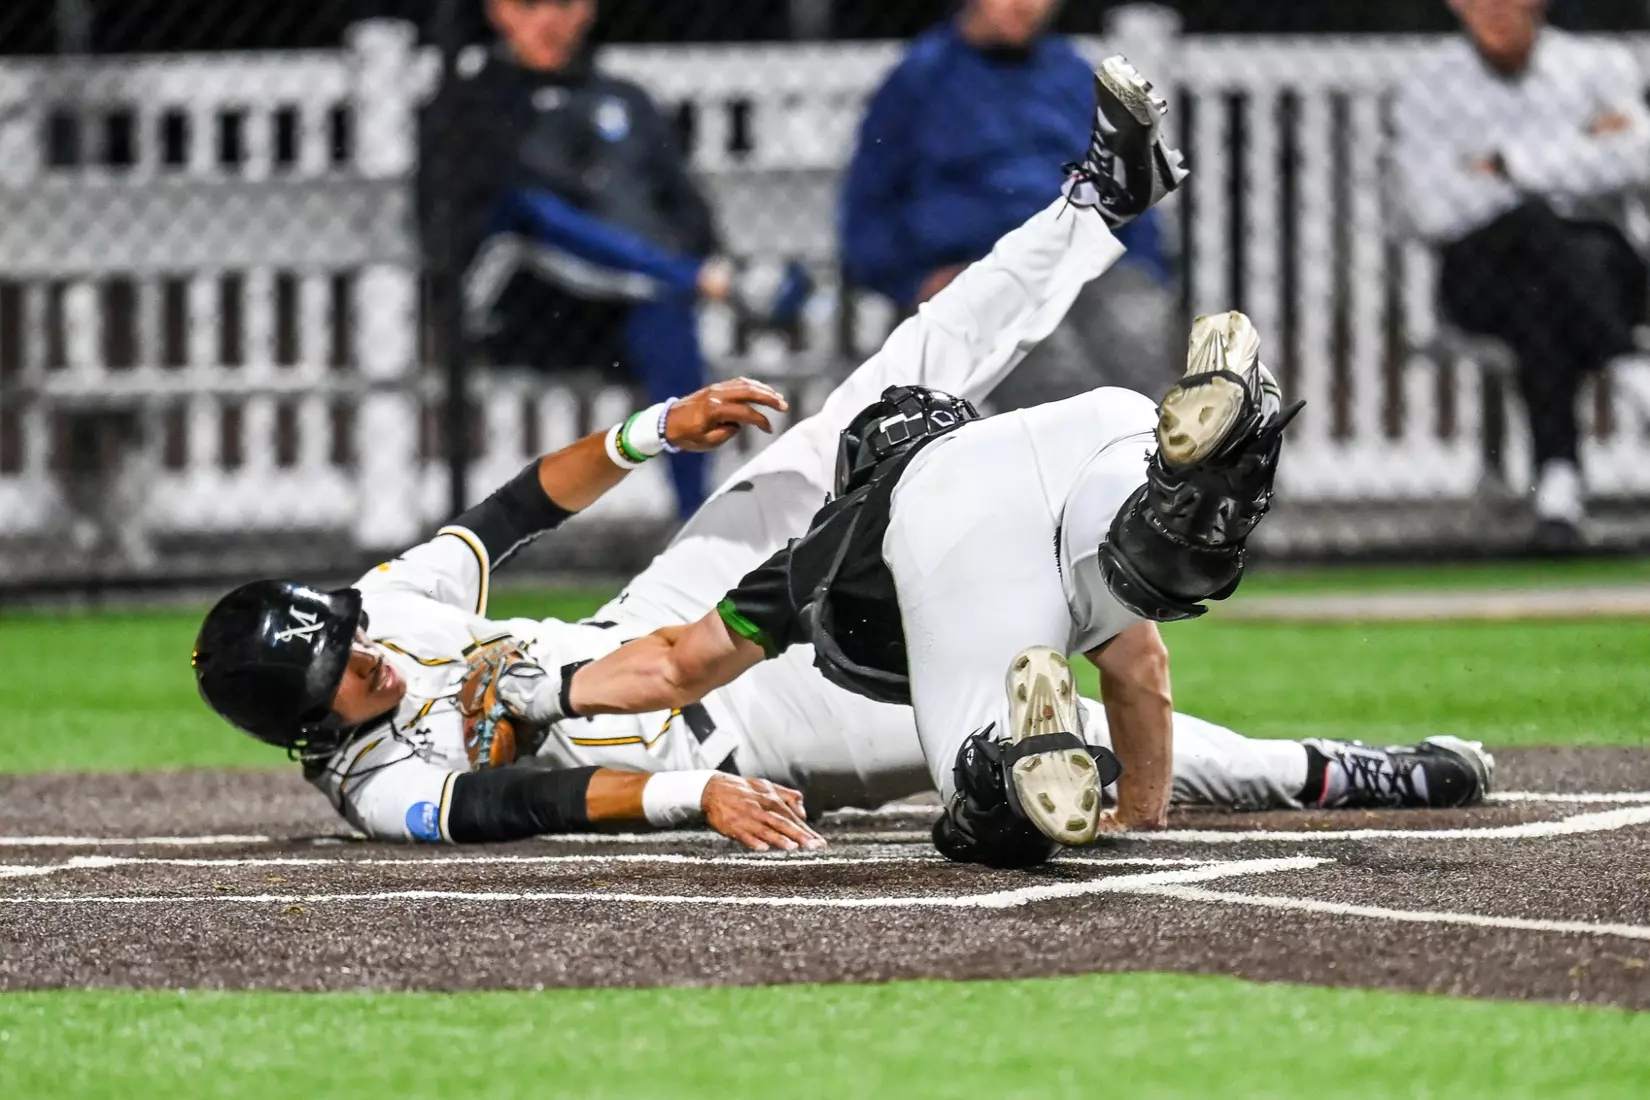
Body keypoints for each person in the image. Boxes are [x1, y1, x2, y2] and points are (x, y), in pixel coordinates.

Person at [194, 58, 1491, 851]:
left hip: (656, 630)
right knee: (1045, 727)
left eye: (343, 628)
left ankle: (1097, 205)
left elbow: (504, 515)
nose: (363, 649)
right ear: (309, 727)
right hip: (731, 735)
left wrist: (650, 431)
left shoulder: (378, 612)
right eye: (342, 669)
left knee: (874, 400)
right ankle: (1324, 768)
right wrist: (682, 804)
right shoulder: (377, 782)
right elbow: (510, 810)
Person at [420, 0, 811, 520]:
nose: (549, 22)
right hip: (517, 312)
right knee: (535, 212)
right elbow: (494, 228)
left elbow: (687, 214)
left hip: (623, 311)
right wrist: (693, 274)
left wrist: (683, 263)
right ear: (498, 11)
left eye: (564, 5)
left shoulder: (625, 102)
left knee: (667, 315)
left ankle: (697, 527)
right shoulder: (466, 108)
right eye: (530, 6)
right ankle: (712, 283)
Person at [1393, 0, 1650, 550]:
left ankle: (1558, 493)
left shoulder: (1599, 64)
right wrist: (1579, 151)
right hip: (1483, 271)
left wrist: (1507, 162)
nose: (1496, 9)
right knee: (1535, 235)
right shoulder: (1430, 84)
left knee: (1543, 288)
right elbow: (1431, 207)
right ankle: (1627, 366)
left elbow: (1638, 159)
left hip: (1595, 268)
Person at [839, 0, 1176, 408]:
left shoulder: (1071, 78)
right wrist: (914, 281)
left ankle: (1167, 459)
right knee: (1056, 370)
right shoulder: (920, 83)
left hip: (1081, 265)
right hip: (979, 275)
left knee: (1138, 336)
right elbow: (868, 213)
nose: (1025, 5)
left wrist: (1142, 265)